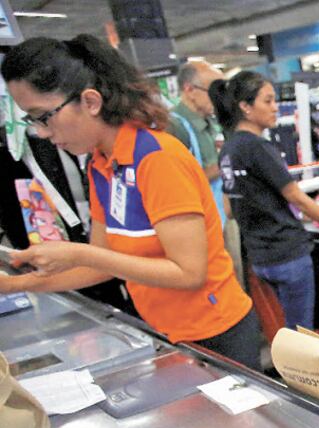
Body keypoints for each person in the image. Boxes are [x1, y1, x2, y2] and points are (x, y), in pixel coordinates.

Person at [0, 35, 262, 370]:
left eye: (43, 116)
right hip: (165, 333)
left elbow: (189, 272)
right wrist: (15, 283)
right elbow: (99, 265)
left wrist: (78, 253)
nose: (41, 132)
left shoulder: (156, 158)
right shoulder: (100, 165)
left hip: (217, 336)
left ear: (91, 101)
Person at [211, 71, 319, 331]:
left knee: (290, 327)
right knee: (303, 333)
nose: (275, 108)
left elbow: (230, 209)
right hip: (287, 254)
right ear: (245, 107)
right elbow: (297, 197)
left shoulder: (228, 151)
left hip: (261, 259)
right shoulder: (259, 148)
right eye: (268, 101)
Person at [166, 61, 243, 284]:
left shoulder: (210, 123)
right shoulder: (175, 127)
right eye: (214, 91)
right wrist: (225, 163)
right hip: (200, 228)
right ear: (190, 90)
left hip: (223, 218)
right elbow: (174, 180)